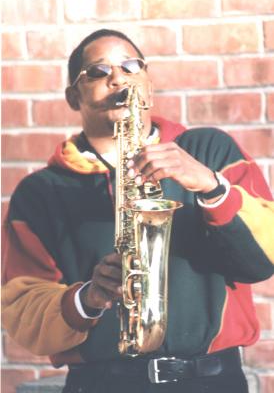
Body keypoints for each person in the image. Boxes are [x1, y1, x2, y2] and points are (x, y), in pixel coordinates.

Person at [2, 28, 274, 393]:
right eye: (97, 71)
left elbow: (263, 260)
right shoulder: (41, 192)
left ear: (148, 82)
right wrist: (87, 299)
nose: (118, 77)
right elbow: (21, 314)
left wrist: (211, 185)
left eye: (131, 66)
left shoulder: (209, 149)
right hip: (102, 384)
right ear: (73, 96)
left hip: (214, 382)